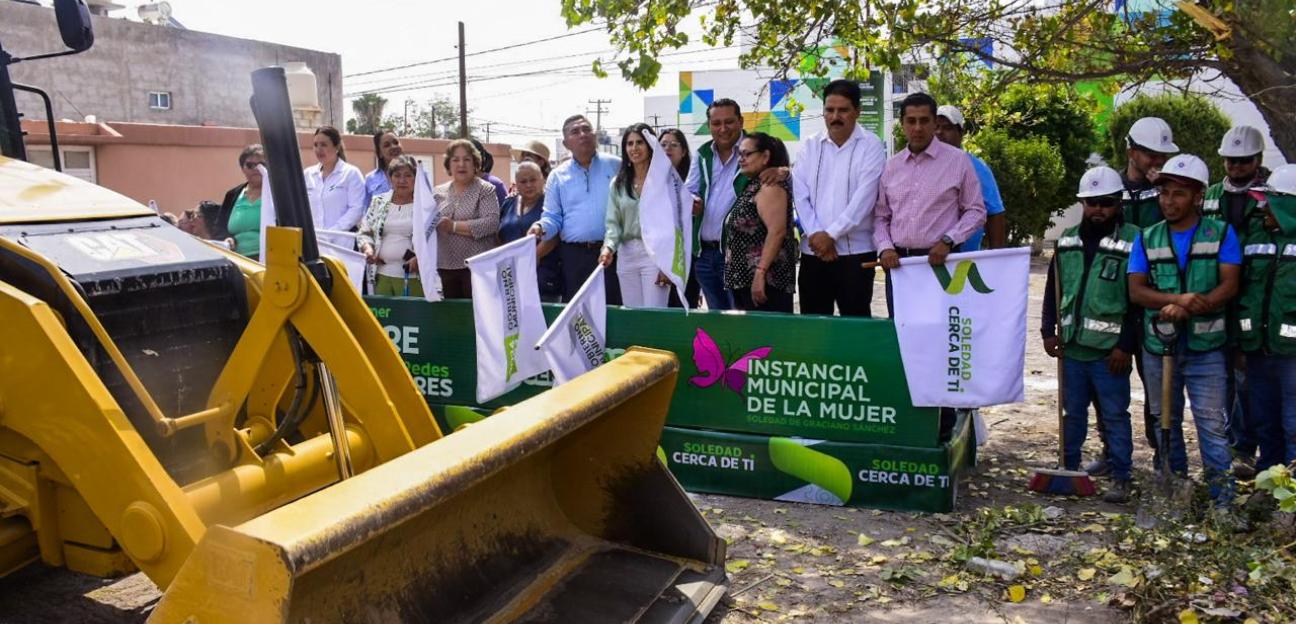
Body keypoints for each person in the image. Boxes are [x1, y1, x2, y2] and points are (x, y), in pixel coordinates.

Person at [1128, 154, 1242, 514]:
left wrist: (1191, 307)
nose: (1169, 201)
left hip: (1207, 348)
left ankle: (1222, 503)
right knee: (1165, 420)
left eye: (1178, 193)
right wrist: (1177, 300)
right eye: (1164, 193)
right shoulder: (1147, 238)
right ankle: (1174, 493)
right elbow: (1136, 291)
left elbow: (1230, 285)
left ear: (1197, 196)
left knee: (1212, 424)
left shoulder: (1220, 234)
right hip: (1158, 347)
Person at [1041, 166, 1142, 503]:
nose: (1098, 209)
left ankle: (1121, 475)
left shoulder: (1134, 240)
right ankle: (1068, 468)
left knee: (1114, 415)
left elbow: (1137, 303)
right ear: (1083, 203)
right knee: (1072, 413)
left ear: (1118, 203)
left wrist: (1125, 345)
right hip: (1072, 348)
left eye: (1106, 203)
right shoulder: (1067, 239)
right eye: (1092, 202)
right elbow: (1053, 288)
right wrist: (1047, 330)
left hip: (1109, 352)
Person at [874, 92, 986, 315]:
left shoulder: (958, 161)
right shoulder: (891, 167)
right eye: (911, 121)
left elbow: (976, 211)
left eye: (924, 121)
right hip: (900, 266)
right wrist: (885, 248)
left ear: (935, 123)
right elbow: (881, 216)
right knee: (901, 329)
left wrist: (948, 240)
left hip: (942, 264)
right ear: (902, 124)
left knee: (941, 329)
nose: (917, 128)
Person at [792, 79, 886, 317]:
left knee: (855, 325)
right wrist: (816, 235)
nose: (835, 116)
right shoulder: (810, 146)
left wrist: (831, 235)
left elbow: (865, 198)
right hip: (814, 252)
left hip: (856, 254)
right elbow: (800, 195)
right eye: (830, 110)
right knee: (814, 324)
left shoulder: (871, 145)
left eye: (843, 110)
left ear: (857, 111)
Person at [1206, 125, 1270, 478]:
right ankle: (1230, 444)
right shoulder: (1212, 195)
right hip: (1217, 295)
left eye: (1244, 161)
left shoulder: (1270, 196)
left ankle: (1246, 447)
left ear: (1258, 160)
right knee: (1223, 376)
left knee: (1248, 378)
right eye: (1231, 160)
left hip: (1253, 297)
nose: (1236, 166)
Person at [1121, 116, 1179, 468]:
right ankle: (1115, 455)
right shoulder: (1111, 188)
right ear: (1132, 152)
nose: (1158, 161)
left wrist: (1164, 191)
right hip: (1114, 301)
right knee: (1110, 388)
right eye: (1151, 154)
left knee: (1158, 383)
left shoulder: (1171, 193)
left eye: (1162, 155)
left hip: (1154, 300)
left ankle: (1164, 456)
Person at [1236, 163, 1296, 470]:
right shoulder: (1254, 238)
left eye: (1269, 202)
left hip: (1292, 356)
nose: (1262, 208)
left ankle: (1291, 487)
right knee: (1264, 420)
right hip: (1257, 350)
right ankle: (1270, 480)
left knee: (1293, 423)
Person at [528, 114, 623, 305]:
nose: (583, 134)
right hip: (574, 258)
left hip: (613, 255)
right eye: (575, 131)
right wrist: (540, 227)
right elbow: (553, 217)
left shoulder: (616, 166)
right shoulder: (558, 176)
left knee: (613, 312)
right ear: (566, 143)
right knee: (578, 315)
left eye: (586, 129)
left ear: (595, 135)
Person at [724, 132, 798, 313]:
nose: (741, 159)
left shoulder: (770, 187)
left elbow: (777, 232)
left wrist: (760, 273)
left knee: (767, 331)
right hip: (745, 282)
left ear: (765, 156)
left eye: (747, 154)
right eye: (739, 154)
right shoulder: (753, 185)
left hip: (765, 284)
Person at [600, 124, 671, 308]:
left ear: (650, 145)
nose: (634, 148)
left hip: (656, 253)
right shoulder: (618, 183)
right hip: (626, 254)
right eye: (629, 143)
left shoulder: (665, 180)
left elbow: (674, 224)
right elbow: (613, 223)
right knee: (632, 314)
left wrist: (667, 263)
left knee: (654, 312)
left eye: (640, 142)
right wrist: (608, 248)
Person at [686, 98, 746, 311]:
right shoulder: (702, 153)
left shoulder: (754, 148)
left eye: (729, 122)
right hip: (705, 254)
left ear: (741, 121)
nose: (723, 129)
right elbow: (689, 190)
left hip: (740, 255)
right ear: (709, 125)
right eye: (716, 123)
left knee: (742, 318)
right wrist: (692, 201)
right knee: (717, 321)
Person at [935, 105, 1006, 251]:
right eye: (935, 127)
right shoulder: (921, 166)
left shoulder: (976, 168)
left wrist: (997, 258)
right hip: (925, 257)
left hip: (964, 257)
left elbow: (995, 213)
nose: (939, 133)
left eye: (947, 128)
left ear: (961, 133)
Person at [436, 140, 501, 299]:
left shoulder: (485, 189)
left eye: (467, 159)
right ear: (448, 165)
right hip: (444, 268)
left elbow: (491, 223)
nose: (461, 164)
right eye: (455, 160)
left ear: (475, 164)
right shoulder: (437, 192)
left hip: (477, 268)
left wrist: (453, 226)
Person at [357, 155, 422, 297]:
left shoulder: (424, 205)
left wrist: (420, 258)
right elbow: (364, 232)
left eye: (408, 175)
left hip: (413, 277)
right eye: (397, 175)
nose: (402, 180)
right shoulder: (378, 202)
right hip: (381, 275)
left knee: (411, 312)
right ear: (390, 178)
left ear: (416, 178)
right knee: (383, 312)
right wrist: (368, 249)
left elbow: (433, 239)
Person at [499, 162, 562, 302]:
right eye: (523, 181)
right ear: (516, 183)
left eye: (533, 180)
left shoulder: (550, 204)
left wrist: (531, 257)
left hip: (542, 277)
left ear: (542, 180)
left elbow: (554, 235)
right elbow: (500, 233)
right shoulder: (508, 203)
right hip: (510, 277)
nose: (528, 185)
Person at [661, 128, 701, 309]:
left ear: (683, 151)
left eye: (674, 145)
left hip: (687, 255)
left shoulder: (693, 181)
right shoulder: (651, 180)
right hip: (659, 255)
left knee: (685, 305)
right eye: (663, 144)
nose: (667, 148)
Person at [305, 126, 366, 237]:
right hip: (314, 241)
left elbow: (357, 209)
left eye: (324, 145)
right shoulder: (308, 174)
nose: (318, 149)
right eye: (315, 145)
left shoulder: (351, 173)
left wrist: (332, 232)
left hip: (341, 242)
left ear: (337, 147)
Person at [214, 144, 265, 259]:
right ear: (242, 168)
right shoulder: (232, 195)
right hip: (236, 259)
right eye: (250, 165)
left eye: (262, 164)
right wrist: (227, 238)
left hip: (268, 260)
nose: (256, 169)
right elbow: (219, 229)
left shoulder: (277, 195)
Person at [364, 130, 403, 209]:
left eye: (396, 142)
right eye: (387, 145)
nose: (393, 147)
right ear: (380, 153)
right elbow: (367, 210)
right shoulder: (370, 179)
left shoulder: (417, 174)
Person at [470, 138, 508, 207]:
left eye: (467, 158)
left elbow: (506, 211)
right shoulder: (455, 188)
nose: (461, 164)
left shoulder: (495, 184)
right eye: (456, 159)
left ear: (480, 158)